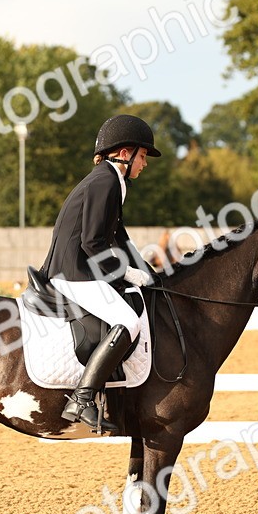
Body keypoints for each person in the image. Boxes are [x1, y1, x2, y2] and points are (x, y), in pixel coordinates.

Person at [40, 114, 161, 431]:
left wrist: (148, 272)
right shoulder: (105, 181)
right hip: (73, 272)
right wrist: (128, 275)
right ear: (125, 153)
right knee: (128, 321)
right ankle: (82, 398)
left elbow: (120, 237)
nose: (144, 164)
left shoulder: (113, 181)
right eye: (143, 156)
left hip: (81, 268)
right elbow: (93, 243)